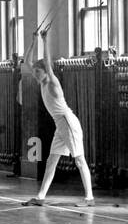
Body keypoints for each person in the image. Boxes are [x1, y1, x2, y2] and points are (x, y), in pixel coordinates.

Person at [20, 28, 95, 207]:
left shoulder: (53, 83)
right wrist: (33, 41)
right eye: (36, 71)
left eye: (39, 72)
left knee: (79, 159)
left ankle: (89, 198)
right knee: (51, 161)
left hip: (68, 122)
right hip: (59, 125)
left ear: (46, 72)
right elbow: (26, 61)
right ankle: (40, 197)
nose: (35, 74)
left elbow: (47, 62)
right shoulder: (41, 81)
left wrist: (45, 41)